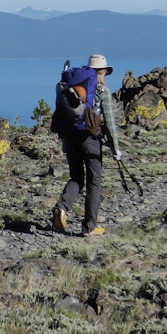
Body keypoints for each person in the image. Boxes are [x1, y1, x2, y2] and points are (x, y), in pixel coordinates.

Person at [52, 55, 122, 236]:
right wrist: (116, 149)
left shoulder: (73, 87)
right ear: (103, 71)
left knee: (76, 177)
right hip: (89, 141)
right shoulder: (103, 91)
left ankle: (62, 206)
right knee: (94, 183)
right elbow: (110, 122)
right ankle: (89, 227)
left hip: (69, 138)